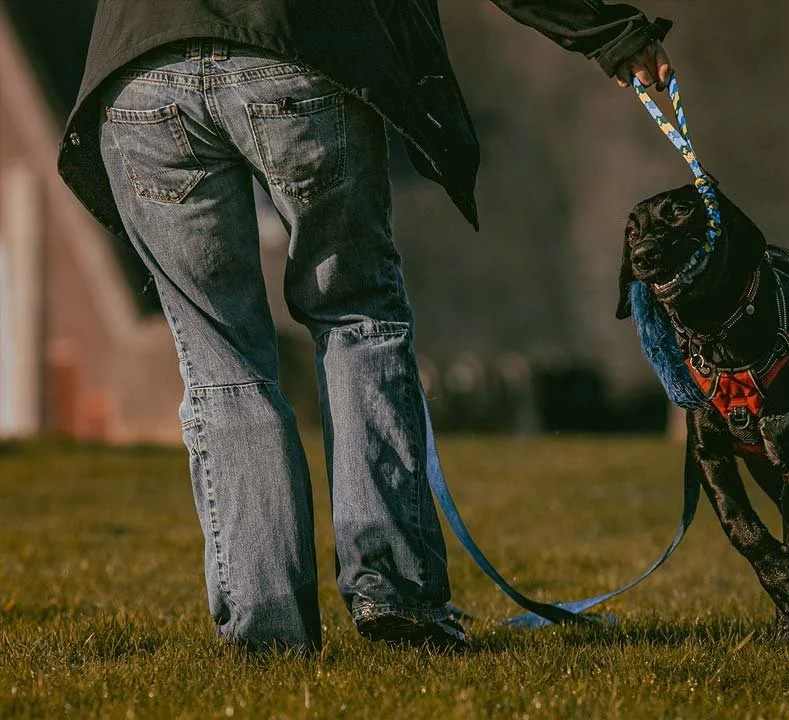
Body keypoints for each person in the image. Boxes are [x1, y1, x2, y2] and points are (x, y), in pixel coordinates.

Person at [58, 0, 673, 653]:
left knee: (222, 362)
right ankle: (395, 592)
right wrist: (608, 33)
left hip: (141, 72)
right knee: (356, 316)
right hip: (294, 52)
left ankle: (266, 628)